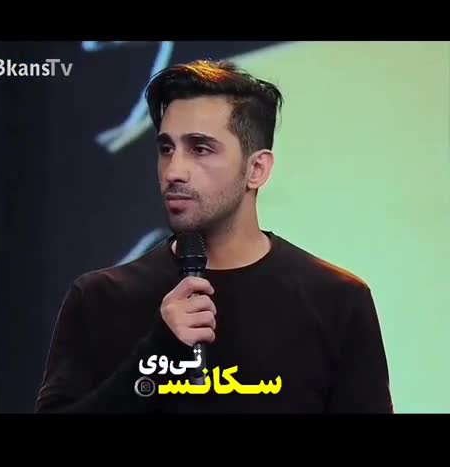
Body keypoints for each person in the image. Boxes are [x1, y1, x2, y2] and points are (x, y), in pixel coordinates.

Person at [34, 59, 394, 414]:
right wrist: (157, 354)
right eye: (166, 149)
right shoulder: (100, 299)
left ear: (256, 169)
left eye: (200, 148)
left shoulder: (336, 300)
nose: (173, 171)